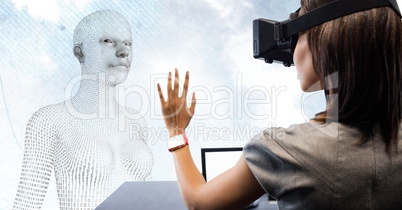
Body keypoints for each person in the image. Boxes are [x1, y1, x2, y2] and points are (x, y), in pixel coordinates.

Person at [157, 0, 402, 209]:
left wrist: (176, 131)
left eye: (296, 34)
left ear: (324, 42)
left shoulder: (286, 150)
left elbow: (199, 202)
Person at [13, 10, 153, 210]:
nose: (123, 52)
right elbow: (26, 204)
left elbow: (152, 200)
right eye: (107, 41)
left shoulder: (136, 121)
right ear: (80, 52)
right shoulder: (48, 120)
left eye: (128, 43)